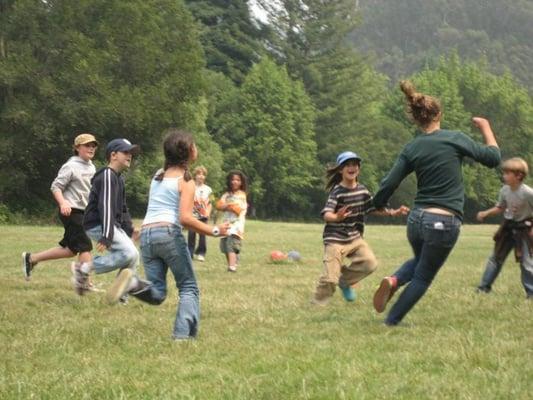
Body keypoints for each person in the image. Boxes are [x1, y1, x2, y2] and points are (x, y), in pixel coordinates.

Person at [371, 80, 501, 326]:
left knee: (421, 261)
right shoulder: (455, 139)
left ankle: (395, 280)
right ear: (439, 114)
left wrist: (376, 204)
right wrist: (486, 127)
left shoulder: (413, 147)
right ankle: (392, 320)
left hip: (416, 220)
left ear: (417, 119)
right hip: (444, 219)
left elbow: (389, 182)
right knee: (423, 275)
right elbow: (493, 158)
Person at [135, 129, 229, 340]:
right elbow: (185, 218)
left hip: (148, 234)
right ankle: (182, 336)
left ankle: (133, 284)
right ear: (188, 152)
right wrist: (214, 230)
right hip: (168, 233)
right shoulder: (186, 181)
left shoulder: (157, 176)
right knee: (188, 287)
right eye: (194, 145)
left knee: (157, 293)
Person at [311, 151, 409, 305]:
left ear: (359, 169)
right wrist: (337, 217)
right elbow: (327, 214)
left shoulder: (362, 190)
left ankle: (344, 282)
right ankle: (317, 304)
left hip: (355, 238)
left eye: (355, 165)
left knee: (370, 263)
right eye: (347, 165)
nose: (352, 168)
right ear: (340, 170)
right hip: (335, 239)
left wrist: (393, 212)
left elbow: (372, 208)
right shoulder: (337, 192)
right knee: (330, 279)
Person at [75, 138, 148, 303]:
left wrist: (130, 229)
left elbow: (122, 208)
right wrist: (107, 235)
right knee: (129, 253)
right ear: (113, 155)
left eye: (131, 153)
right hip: (98, 224)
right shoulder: (107, 175)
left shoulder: (118, 178)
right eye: (126, 152)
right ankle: (83, 269)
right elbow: (105, 207)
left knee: (134, 256)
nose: (130, 156)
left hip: (109, 224)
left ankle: (122, 296)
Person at [22, 133, 98, 287]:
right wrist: (63, 203)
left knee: (70, 250)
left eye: (93, 145)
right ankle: (85, 284)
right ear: (77, 148)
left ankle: (31, 259)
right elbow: (56, 187)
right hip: (71, 211)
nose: (91, 148)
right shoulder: (70, 166)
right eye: (87, 145)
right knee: (85, 246)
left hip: (84, 211)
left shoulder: (91, 166)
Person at [476, 157, 533, 298]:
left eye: (507, 173)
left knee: (526, 263)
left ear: (519, 175)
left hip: (524, 230)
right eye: (504, 173)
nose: (504, 176)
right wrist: (485, 213)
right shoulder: (505, 190)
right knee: (495, 259)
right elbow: (500, 207)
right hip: (508, 228)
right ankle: (483, 288)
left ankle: (531, 292)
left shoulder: (528, 193)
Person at [215, 171, 248, 272]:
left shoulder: (241, 195)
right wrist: (227, 206)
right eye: (233, 180)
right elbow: (219, 205)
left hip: (236, 225)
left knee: (231, 243)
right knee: (224, 245)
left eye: (238, 180)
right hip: (226, 223)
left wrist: (227, 206)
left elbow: (237, 209)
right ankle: (232, 262)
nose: (235, 182)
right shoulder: (226, 194)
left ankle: (232, 266)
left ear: (241, 182)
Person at [187, 166, 213, 261]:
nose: (201, 176)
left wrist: (208, 213)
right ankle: (190, 253)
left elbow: (210, 203)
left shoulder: (208, 189)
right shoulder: (191, 186)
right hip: (192, 215)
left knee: (202, 235)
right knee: (191, 234)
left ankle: (201, 253)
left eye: (203, 174)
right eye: (199, 174)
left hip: (203, 215)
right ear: (195, 176)